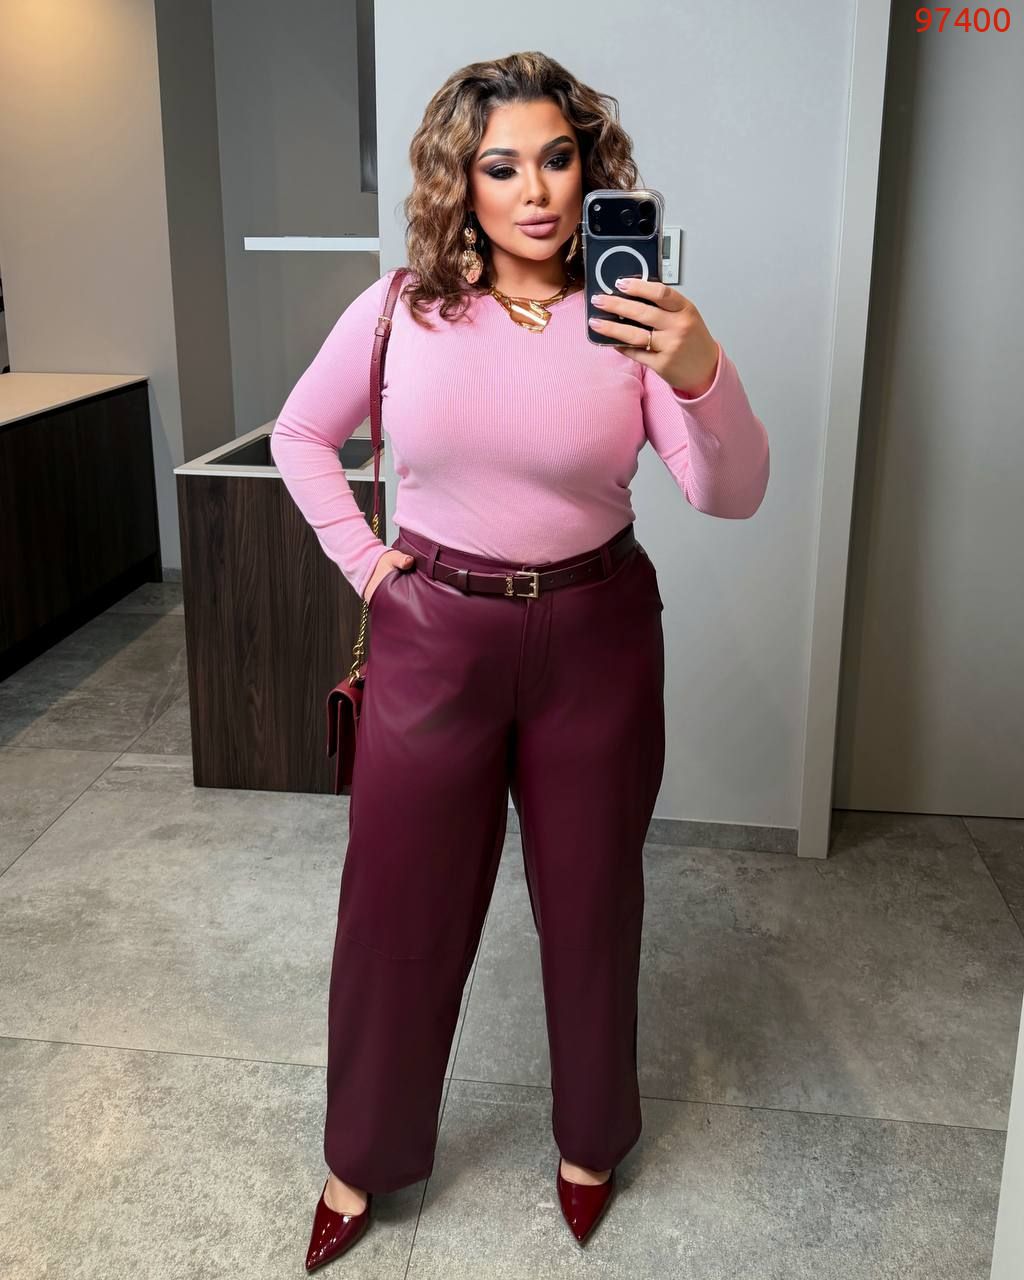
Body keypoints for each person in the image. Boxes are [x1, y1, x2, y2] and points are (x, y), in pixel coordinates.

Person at [270, 50, 770, 1271]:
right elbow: (300, 434)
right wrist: (369, 566)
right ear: (463, 180)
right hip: (435, 635)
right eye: (502, 167)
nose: (536, 191)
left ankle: (592, 1139)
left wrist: (700, 371)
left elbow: (731, 492)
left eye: (557, 159)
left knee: (593, 901)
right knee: (397, 907)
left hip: (597, 638)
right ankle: (361, 1152)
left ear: (590, 169)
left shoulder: (631, 321)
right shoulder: (399, 309)